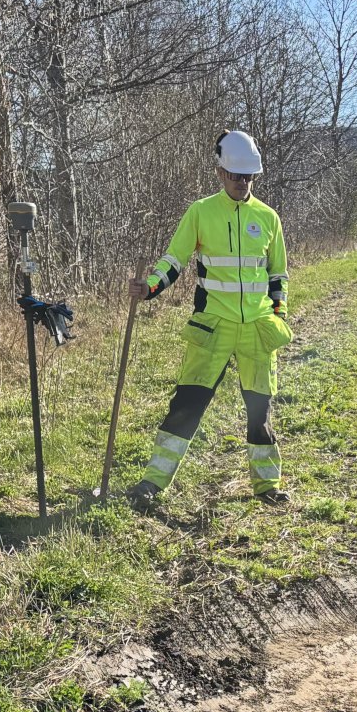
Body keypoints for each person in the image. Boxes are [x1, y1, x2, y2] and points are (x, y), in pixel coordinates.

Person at [127, 130, 293, 508]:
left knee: (260, 412)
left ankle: (267, 486)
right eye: (235, 176)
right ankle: (153, 482)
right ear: (220, 173)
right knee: (187, 404)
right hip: (212, 326)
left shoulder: (268, 218)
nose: (242, 183)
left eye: (248, 176)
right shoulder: (200, 212)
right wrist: (150, 288)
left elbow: (278, 274)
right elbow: (174, 260)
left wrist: (279, 314)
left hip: (258, 330)